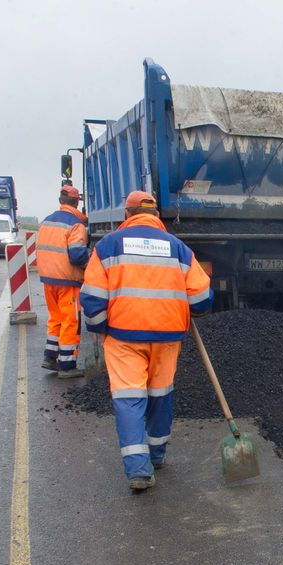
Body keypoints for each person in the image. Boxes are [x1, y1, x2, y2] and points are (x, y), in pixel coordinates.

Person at [80, 191, 212, 491]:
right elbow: (203, 297)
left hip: (123, 336)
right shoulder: (179, 249)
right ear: (156, 217)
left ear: (127, 215)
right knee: (161, 393)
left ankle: (139, 470)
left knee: (129, 399)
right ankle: (156, 454)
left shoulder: (108, 246)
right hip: (167, 336)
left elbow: (92, 297)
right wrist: (191, 310)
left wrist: (102, 329)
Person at [37, 185, 90, 378]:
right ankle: (67, 366)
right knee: (70, 321)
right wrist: (90, 266)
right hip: (67, 279)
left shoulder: (46, 221)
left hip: (48, 278)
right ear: (77, 202)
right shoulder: (76, 224)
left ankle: (50, 357)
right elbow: (77, 255)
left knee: (56, 317)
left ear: (61, 201)